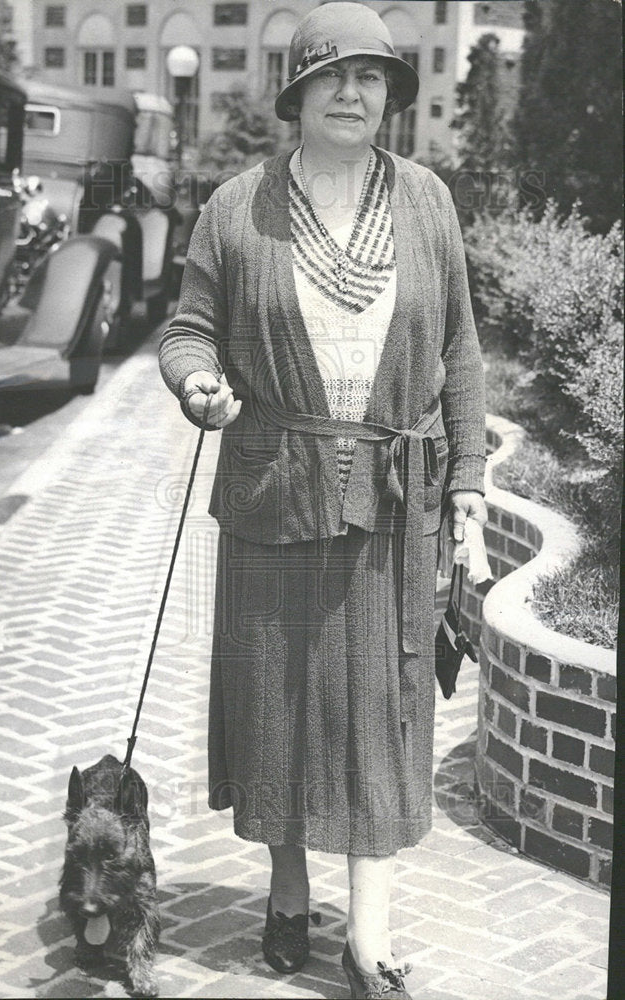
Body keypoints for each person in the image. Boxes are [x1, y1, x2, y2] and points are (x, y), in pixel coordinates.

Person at [159, 4, 487, 997]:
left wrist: (467, 484)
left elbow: (461, 352)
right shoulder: (236, 208)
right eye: (334, 75)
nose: (355, 93)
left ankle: (371, 936)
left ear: (391, 96)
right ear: (296, 92)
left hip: (391, 501)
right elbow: (188, 329)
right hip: (274, 487)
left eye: (373, 78)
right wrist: (198, 382)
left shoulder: (427, 201)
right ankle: (290, 889)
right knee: (283, 704)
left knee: (378, 712)